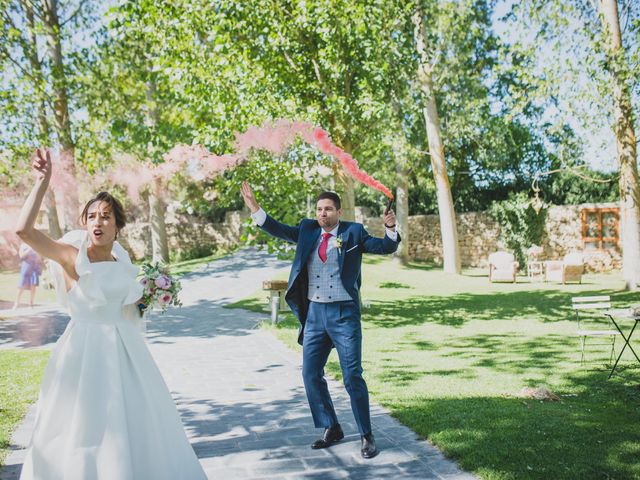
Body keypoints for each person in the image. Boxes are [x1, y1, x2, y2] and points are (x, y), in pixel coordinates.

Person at [15, 148, 206, 480]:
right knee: (83, 429)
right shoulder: (72, 258)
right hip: (84, 354)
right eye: (91, 216)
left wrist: (149, 297)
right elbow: (25, 232)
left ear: (118, 224)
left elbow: (128, 303)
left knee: (139, 422)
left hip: (127, 353)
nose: (97, 222)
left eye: (105, 216)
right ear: (85, 223)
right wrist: (42, 182)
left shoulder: (123, 261)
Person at [241, 181, 400, 459]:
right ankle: (331, 427)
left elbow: (385, 247)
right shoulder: (307, 230)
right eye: (319, 209)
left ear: (338, 211)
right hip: (314, 315)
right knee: (310, 373)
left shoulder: (353, 232)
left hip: (344, 314)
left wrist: (389, 228)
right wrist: (255, 208)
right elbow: (278, 229)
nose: (322, 214)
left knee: (352, 376)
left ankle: (366, 434)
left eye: (328, 209)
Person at [13, 243, 42, 309]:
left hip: (34, 267)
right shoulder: (23, 245)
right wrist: (30, 249)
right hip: (26, 267)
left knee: (33, 285)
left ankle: (31, 303)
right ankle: (16, 303)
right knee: (21, 286)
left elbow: (39, 258)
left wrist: (38, 255)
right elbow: (21, 256)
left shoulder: (36, 245)